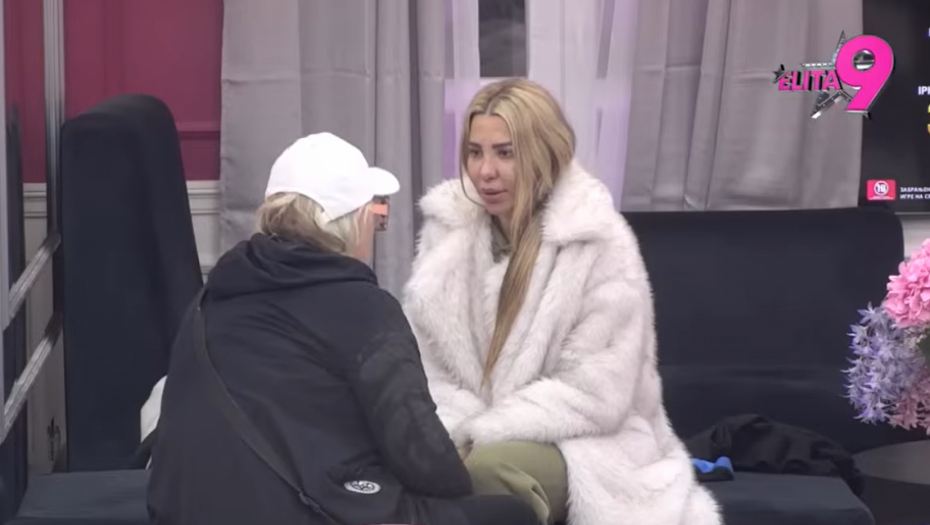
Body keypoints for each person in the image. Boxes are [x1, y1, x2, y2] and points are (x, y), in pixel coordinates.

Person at [147, 132, 539, 525]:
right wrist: (465, 483)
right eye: (375, 215)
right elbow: (423, 457)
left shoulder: (212, 297)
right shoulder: (363, 310)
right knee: (512, 515)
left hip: (183, 511)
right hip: (305, 510)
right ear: (352, 221)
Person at [402, 78, 723, 525]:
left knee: (488, 471)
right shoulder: (447, 235)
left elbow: (596, 393)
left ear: (542, 152)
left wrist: (484, 434)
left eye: (505, 153)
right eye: (475, 152)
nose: (485, 171)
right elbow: (427, 370)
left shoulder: (597, 241)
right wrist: (454, 434)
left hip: (582, 442)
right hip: (470, 429)